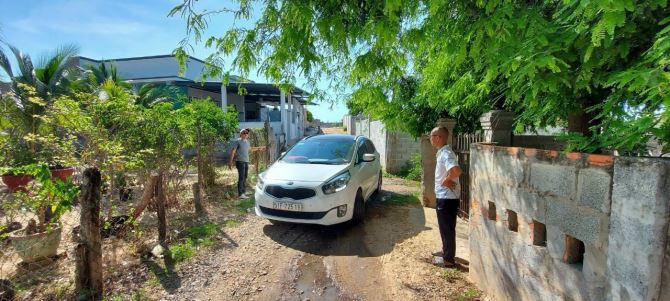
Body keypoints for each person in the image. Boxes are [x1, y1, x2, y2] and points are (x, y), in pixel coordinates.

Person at [429, 126, 463, 268]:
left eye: (432, 136)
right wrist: (447, 179)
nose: (430, 139)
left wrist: (446, 180)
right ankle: (445, 252)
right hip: (445, 196)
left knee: (447, 228)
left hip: (447, 198)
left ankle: (448, 260)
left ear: (439, 137)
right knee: (444, 228)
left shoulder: (446, 153)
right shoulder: (442, 152)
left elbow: (456, 170)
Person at [229, 129, 251, 198]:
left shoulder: (247, 142)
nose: (245, 134)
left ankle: (243, 192)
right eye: (244, 133)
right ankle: (240, 194)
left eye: (246, 133)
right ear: (240, 134)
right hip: (240, 162)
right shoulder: (237, 141)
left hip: (246, 161)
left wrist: (259, 149)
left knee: (245, 177)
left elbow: (250, 149)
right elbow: (233, 151)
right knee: (241, 177)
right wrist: (230, 162)